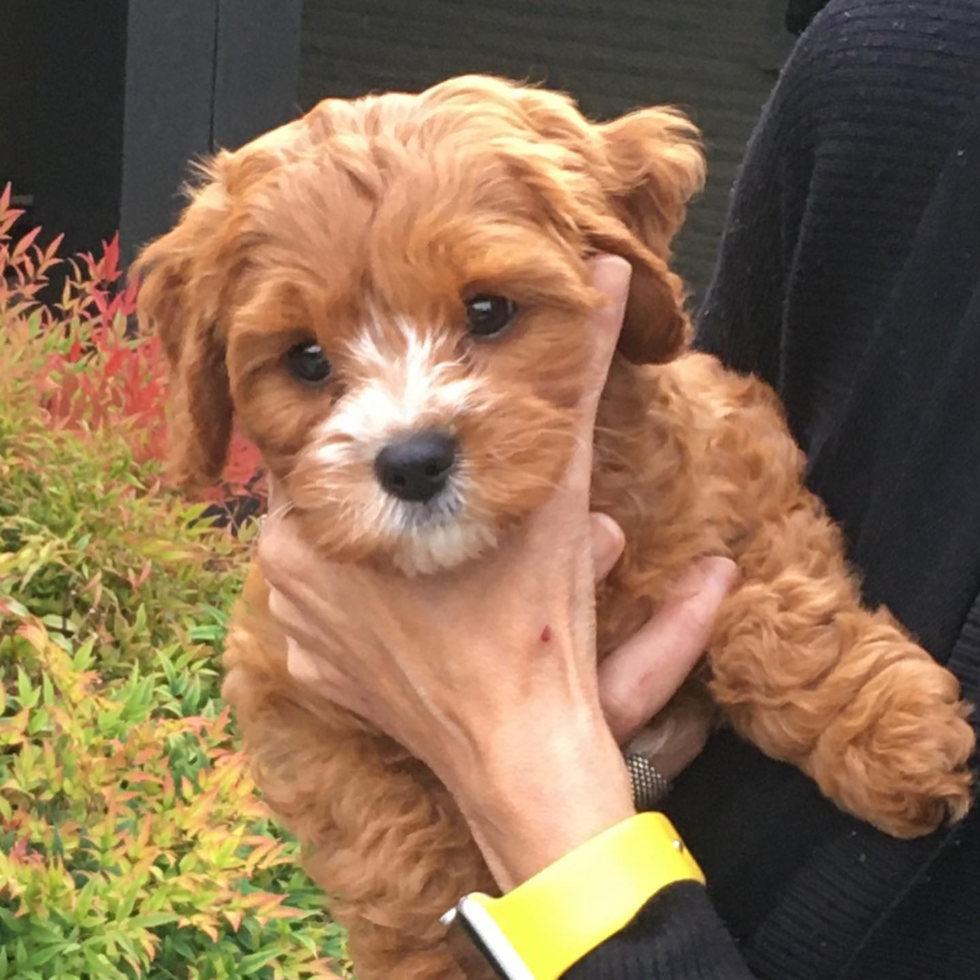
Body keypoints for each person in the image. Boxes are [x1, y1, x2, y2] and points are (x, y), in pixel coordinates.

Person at [258, 1, 980, 976]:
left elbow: (754, 498)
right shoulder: (886, 62)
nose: (404, 425)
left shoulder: (686, 457)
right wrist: (430, 918)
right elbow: (292, 707)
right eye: (309, 360)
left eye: (486, 310)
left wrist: (814, 680)